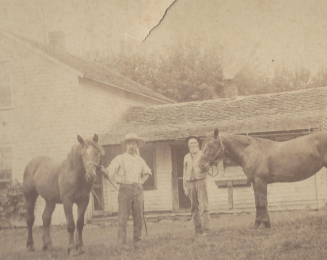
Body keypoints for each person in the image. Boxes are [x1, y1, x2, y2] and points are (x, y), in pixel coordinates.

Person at [101, 133, 152, 251]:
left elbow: (148, 172)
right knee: (122, 220)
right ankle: (122, 245)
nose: (131, 146)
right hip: (125, 190)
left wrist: (141, 182)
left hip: (138, 191)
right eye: (129, 144)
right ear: (125, 145)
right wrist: (105, 172)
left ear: (137, 145)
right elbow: (110, 171)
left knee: (138, 219)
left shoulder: (140, 160)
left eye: (134, 144)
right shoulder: (119, 158)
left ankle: (137, 244)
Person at [183, 136, 210, 238]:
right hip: (190, 183)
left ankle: (206, 230)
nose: (193, 145)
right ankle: (198, 230)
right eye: (191, 143)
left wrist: (206, 166)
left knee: (204, 206)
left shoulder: (203, 155)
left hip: (200, 181)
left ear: (198, 144)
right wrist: (185, 187)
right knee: (194, 207)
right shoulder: (186, 157)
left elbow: (208, 167)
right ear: (188, 145)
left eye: (195, 143)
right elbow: (184, 172)